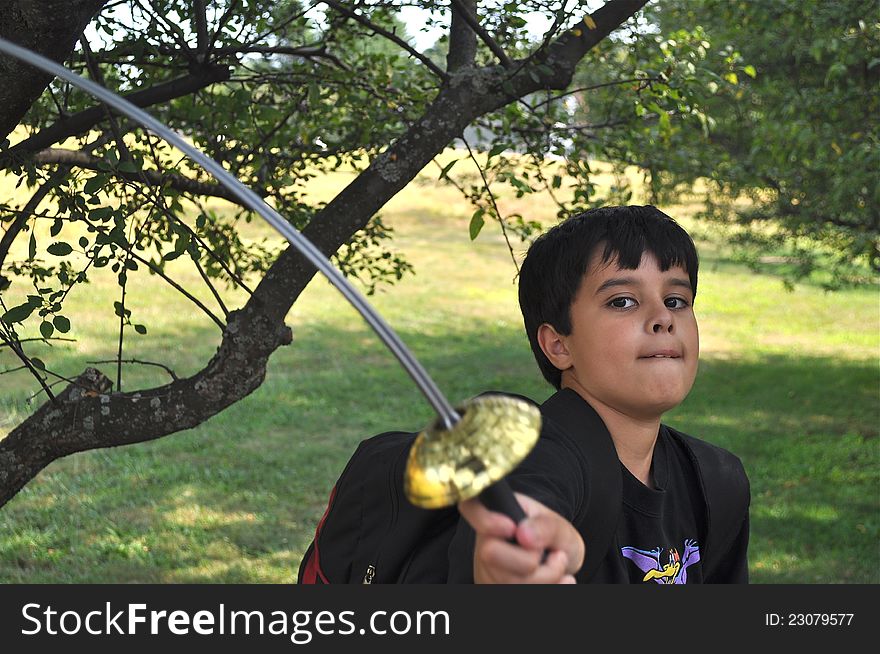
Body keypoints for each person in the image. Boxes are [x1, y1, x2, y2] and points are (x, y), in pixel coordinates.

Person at [447, 205, 750, 584]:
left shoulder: (715, 480)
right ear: (558, 345)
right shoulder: (531, 455)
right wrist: (515, 558)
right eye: (622, 301)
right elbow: (527, 501)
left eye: (676, 300)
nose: (663, 318)